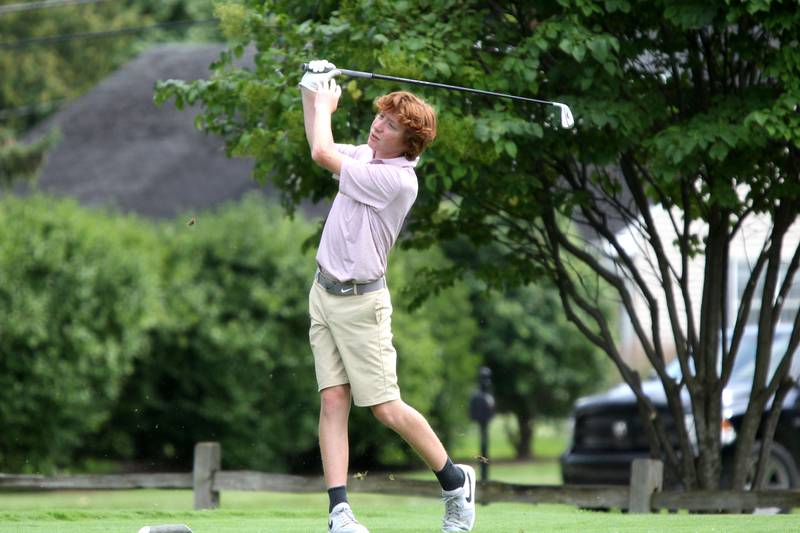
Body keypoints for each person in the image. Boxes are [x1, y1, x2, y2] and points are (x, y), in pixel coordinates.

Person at [299, 60, 477, 533]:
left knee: (384, 408)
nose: (379, 125)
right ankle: (340, 514)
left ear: (410, 142)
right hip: (324, 294)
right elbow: (315, 140)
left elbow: (320, 151)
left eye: (392, 125)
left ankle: (456, 483)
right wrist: (309, 88)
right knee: (333, 400)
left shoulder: (398, 181)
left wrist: (326, 101)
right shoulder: (363, 156)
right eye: (381, 117)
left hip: (363, 305)